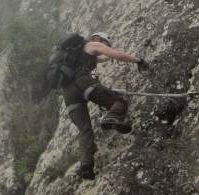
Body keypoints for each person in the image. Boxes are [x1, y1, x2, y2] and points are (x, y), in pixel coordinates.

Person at [62, 31, 149, 181]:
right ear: (98, 39)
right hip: (83, 82)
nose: (105, 47)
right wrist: (139, 60)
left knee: (84, 130)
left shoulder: (73, 56)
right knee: (118, 103)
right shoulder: (91, 45)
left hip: (68, 94)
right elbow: (117, 55)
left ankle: (86, 163)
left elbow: (105, 57)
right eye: (105, 44)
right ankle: (111, 117)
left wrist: (109, 52)